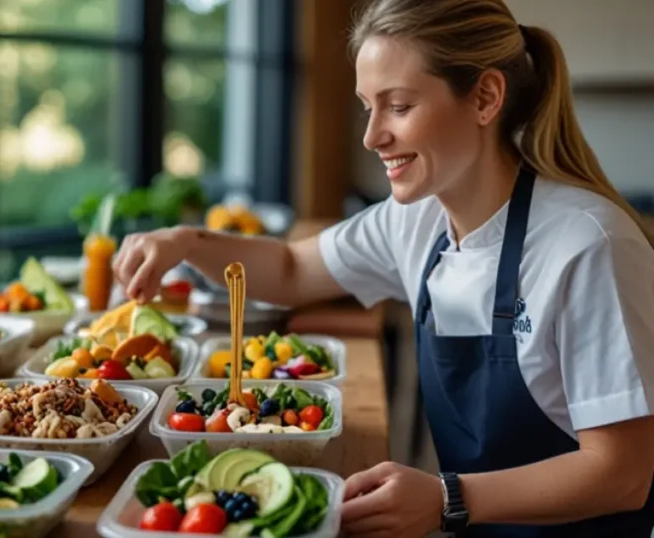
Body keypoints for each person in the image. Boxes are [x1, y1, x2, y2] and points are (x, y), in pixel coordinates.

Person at [111, 0, 654, 536]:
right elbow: (290, 270)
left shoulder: (587, 244)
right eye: (367, 106)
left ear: (486, 98)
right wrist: (185, 242)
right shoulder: (415, 219)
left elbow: (623, 473)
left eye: (397, 106)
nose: (372, 137)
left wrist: (447, 498)